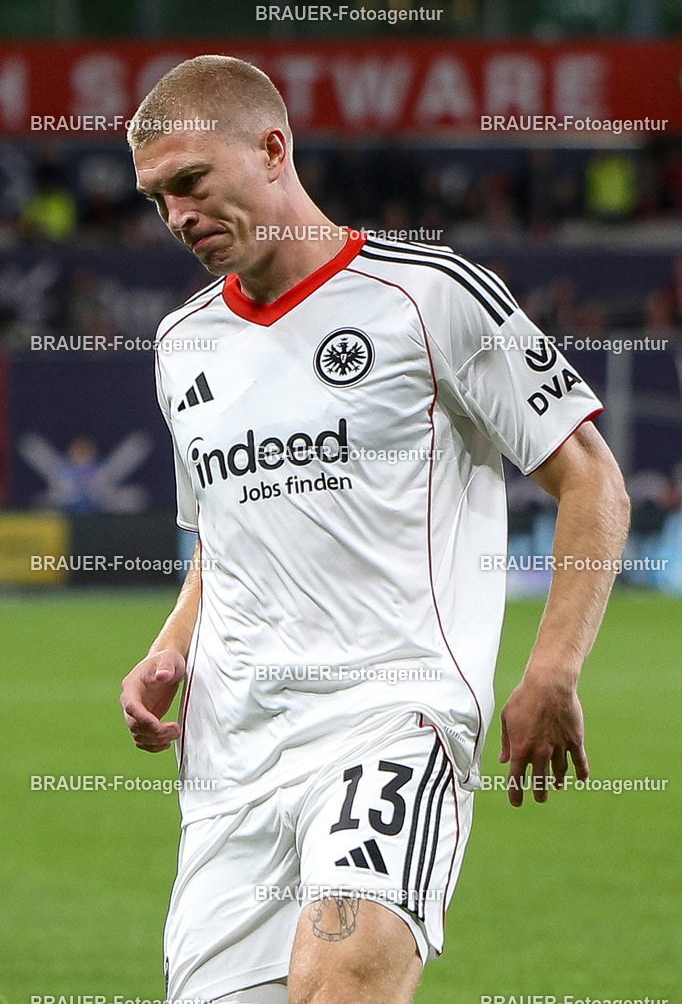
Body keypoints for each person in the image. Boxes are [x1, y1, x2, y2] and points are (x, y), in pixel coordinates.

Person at [120, 56, 630, 1004]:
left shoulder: (433, 294)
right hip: (232, 755)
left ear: (273, 149)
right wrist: (169, 645)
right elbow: (219, 537)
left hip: (392, 714)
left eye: (191, 183)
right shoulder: (181, 342)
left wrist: (553, 667)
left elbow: (593, 481)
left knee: (341, 984)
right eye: (157, 200)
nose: (177, 217)